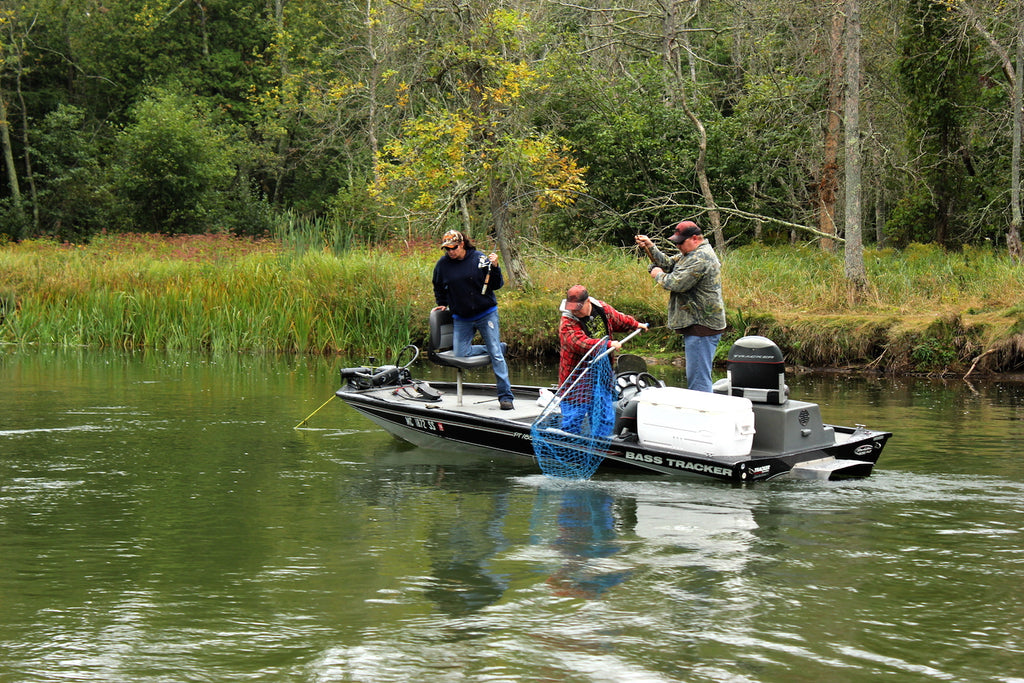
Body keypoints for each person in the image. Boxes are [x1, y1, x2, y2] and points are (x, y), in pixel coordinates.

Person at [635, 221, 726, 393]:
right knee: (697, 377)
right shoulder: (690, 253)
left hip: (702, 326)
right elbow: (669, 264)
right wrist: (651, 247)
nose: (677, 246)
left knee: (699, 381)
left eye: (680, 242)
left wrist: (658, 275)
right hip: (697, 326)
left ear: (694, 238)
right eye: (675, 242)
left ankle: (702, 415)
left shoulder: (701, 257)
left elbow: (676, 283)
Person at [431, 229, 515, 410]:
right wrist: (442, 303)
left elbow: (497, 285)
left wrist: (496, 267)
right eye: (447, 249)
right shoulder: (443, 265)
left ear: (461, 244)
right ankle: (496, 347)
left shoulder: (479, 258)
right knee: (461, 353)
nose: (450, 252)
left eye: (453, 248)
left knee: (496, 356)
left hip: (486, 313)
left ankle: (505, 396)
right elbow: (437, 284)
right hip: (462, 317)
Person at [558, 285, 647, 434]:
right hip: (577, 375)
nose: (575, 311)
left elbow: (619, 319)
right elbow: (580, 343)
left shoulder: (602, 309)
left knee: (603, 412)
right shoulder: (567, 321)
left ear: (588, 302)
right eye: (572, 308)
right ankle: (569, 439)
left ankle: (601, 440)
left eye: (578, 308)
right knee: (574, 413)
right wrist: (607, 344)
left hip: (602, 372)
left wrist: (636, 324)